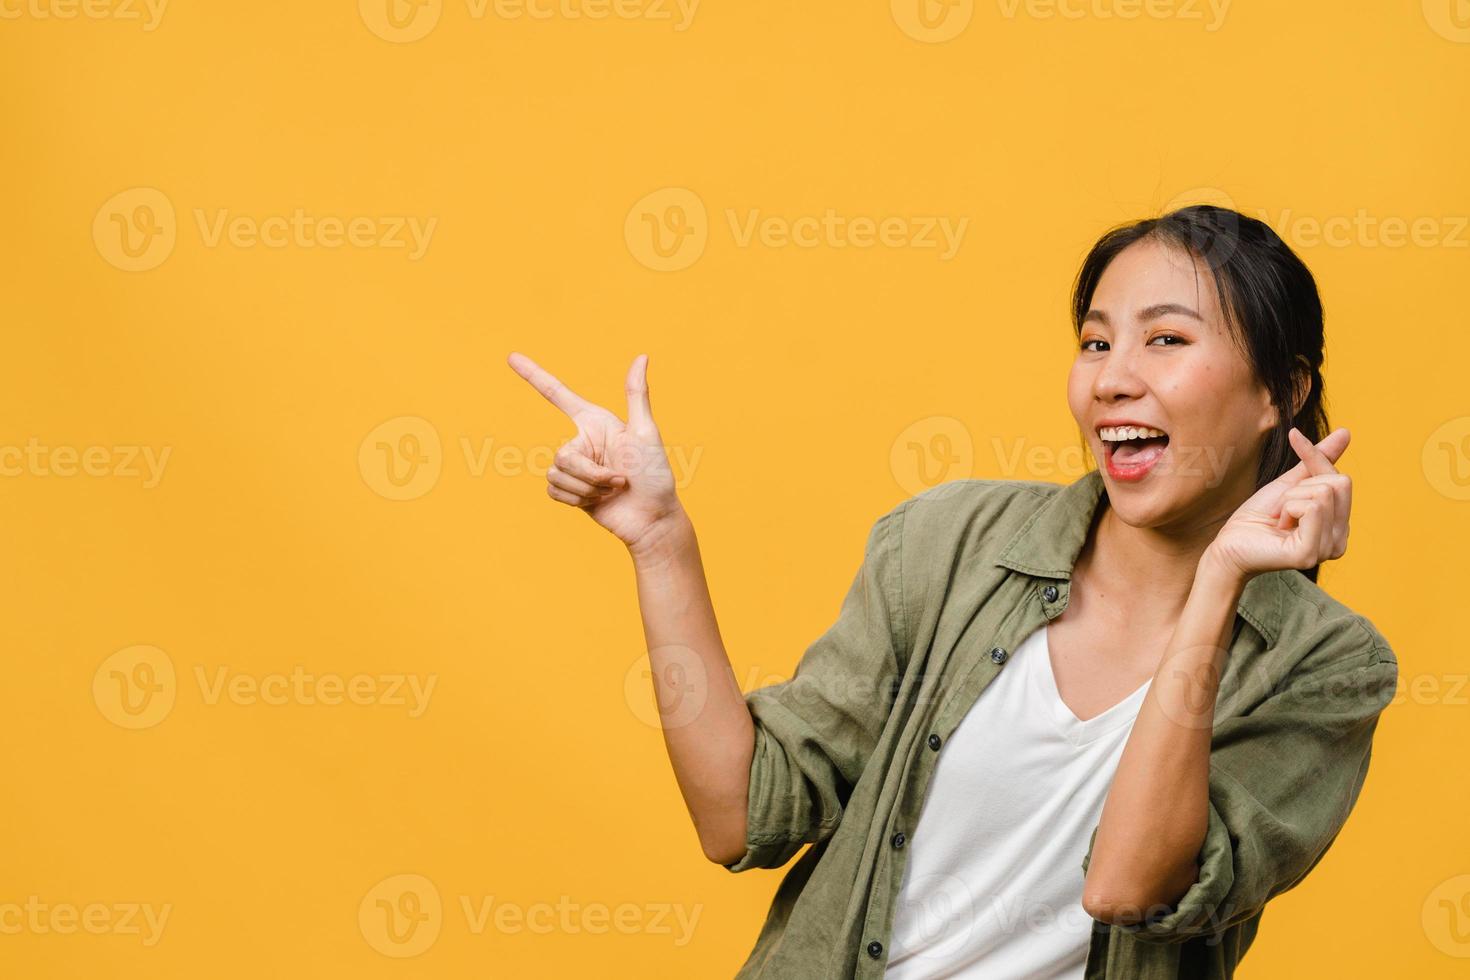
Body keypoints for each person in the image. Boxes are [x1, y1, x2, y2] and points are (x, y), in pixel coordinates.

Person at [506, 205, 1398, 979]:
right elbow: (738, 817)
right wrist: (660, 542)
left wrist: (1218, 585)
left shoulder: (1328, 667)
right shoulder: (947, 545)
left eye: (1166, 338)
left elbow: (1127, 888)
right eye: (1095, 341)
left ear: (1279, 392)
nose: (1112, 376)